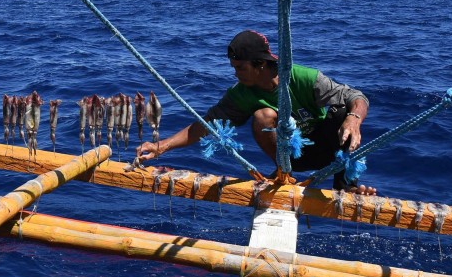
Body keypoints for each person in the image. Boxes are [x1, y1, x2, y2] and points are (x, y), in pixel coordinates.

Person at [137, 30, 377, 195]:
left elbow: (357, 97)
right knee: (263, 115)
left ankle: (346, 185)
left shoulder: (304, 78)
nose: (235, 73)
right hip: (294, 158)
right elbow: (205, 125)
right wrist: (162, 147)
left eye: (240, 67)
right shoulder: (241, 93)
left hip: (327, 150)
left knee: (344, 111)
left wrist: (354, 120)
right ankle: (284, 172)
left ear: (260, 64)